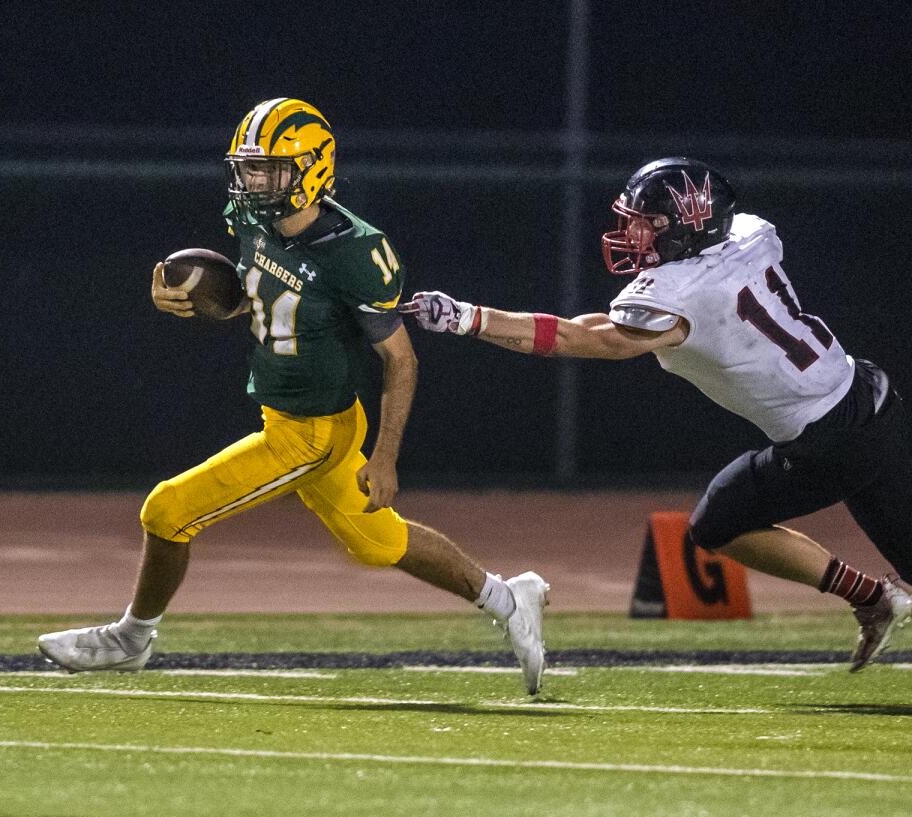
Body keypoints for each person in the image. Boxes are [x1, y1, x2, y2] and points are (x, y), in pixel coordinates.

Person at [401, 156, 912, 706]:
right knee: (718, 522)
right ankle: (874, 595)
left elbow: (601, 340)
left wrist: (471, 318)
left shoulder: (681, 293)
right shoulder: (746, 233)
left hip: (839, 433)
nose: (633, 233)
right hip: (842, 398)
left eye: (647, 222)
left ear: (684, 225)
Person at [38, 98, 549, 695]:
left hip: (314, 431)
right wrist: (197, 302)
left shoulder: (357, 252)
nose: (253, 181)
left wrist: (385, 457)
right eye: (248, 168)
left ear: (312, 170)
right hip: (287, 415)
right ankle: (509, 598)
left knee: (167, 511)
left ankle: (132, 638)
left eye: (269, 170)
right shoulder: (252, 219)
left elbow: (401, 359)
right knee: (379, 543)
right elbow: (255, 303)